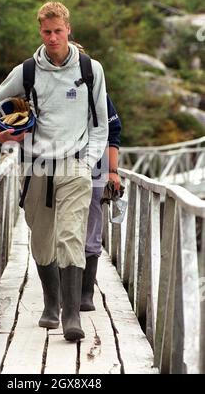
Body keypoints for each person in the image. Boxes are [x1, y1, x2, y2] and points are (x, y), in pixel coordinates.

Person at [0, 1, 108, 341]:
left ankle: (71, 316)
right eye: (46, 31)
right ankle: (51, 303)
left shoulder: (90, 69)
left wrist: (88, 160)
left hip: (75, 164)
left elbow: (101, 123)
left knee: (71, 236)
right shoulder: (27, 71)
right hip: (35, 165)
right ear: (41, 31)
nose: (52, 37)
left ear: (68, 29)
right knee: (41, 239)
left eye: (58, 31)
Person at [69, 42, 122, 312]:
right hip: (57, 166)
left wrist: (113, 170)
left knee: (91, 222)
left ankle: (86, 292)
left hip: (95, 166)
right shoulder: (45, 85)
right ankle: (63, 289)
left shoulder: (94, 87)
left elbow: (113, 129)